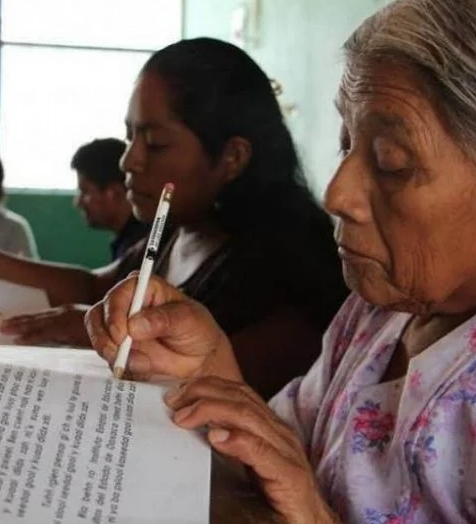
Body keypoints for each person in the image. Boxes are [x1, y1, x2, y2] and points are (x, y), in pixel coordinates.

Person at [84, 1, 476, 522]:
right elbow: (286, 458)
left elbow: (302, 499)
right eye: (345, 145)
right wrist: (210, 371)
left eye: (390, 162)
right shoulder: (375, 315)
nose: (336, 194)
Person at [0, 38, 347, 400]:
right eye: (130, 136)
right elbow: (98, 287)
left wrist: (103, 338)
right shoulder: (183, 227)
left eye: (154, 144)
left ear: (231, 156)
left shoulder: (289, 265)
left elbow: (219, 387)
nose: (129, 161)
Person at [71, 138, 149, 261]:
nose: (77, 203)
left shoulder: (144, 246)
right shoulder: (127, 240)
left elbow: (95, 281)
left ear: (114, 193)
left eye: (85, 192)